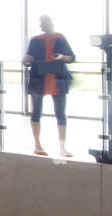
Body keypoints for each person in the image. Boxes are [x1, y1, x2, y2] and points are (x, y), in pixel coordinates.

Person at [23, 15, 75, 157]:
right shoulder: (35, 40)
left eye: (45, 23)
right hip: (39, 79)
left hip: (57, 79)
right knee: (36, 112)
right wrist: (27, 60)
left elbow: (71, 57)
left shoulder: (60, 38)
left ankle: (63, 147)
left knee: (61, 113)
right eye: (42, 24)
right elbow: (27, 60)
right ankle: (37, 145)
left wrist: (61, 57)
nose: (43, 26)